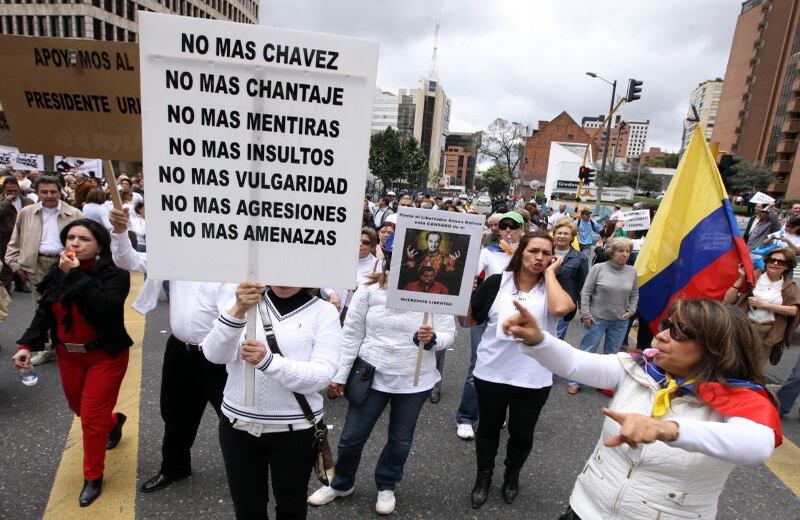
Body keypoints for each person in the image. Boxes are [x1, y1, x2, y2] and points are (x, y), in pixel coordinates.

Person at [502, 298, 781, 520]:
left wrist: (668, 429)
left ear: (715, 348)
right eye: (667, 325)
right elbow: (574, 363)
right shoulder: (637, 368)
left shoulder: (740, 398)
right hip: (586, 508)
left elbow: (757, 444)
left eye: (679, 332)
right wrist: (537, 339)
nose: (661, 335)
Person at [307, 254, 456, 516]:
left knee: (400, 440)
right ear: (389, 262)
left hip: (413, 379)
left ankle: (387, 484)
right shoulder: (369, 291)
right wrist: (340, 375)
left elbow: (448, 333)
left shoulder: (434, 294)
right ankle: (341, 483)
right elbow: (351, 334)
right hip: (371, 375)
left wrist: (433, 338)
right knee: (351, 437)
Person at [108, 207, 235, 494]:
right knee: (176, 413)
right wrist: (120, 231)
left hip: (218, 355)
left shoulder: (232, 265)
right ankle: (174, 467)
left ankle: (247, 472)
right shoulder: (176, 256)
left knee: (233, 417)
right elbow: (128, 259)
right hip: (180, 351)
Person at [11, 219, 133, 507]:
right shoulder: (58, 271)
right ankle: (114, 423)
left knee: (91, 418)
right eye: (70, 238)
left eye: (84, 239)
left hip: (105, 357)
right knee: (80, 409)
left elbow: (104, 308)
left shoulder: (115, 273)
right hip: (69, 357)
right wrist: (26, 345)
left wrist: (76, 274)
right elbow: (45, 311)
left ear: (100, 246)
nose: (74, 244)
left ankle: (93, 476)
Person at [204, 283, 341, 520]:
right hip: (238, 426)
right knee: (247, 509)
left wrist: (269, 362)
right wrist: (236, 311)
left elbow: (322, 374)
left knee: (291, 508)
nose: (283, 279)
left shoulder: (324, 311)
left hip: (295, 430)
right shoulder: (241, 302)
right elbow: (214, 354)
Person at [466, 231, 574, 508]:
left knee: (522, 434)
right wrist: (460, 295)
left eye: (546, 253)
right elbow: (468, 321)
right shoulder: (496, 283)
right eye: (533, 251)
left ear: (553, 258)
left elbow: (562, 309)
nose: (539, 257)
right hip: (491, 372)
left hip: (533, 377)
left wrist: (549, 274)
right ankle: (483, 476)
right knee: (488, 429)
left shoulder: (554, 286)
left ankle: (512, 475)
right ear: (520, 252)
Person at [455, 211, 525, 440]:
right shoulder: (489, 251)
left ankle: (494, 412)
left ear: (522, 229)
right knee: (477, 364)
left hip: (514, 316)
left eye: (513, 226)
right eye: (503, 226)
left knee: (507, 367)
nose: (508, 230)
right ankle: (466, 417)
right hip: (486, 314)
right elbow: (471, 271)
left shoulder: (528, 254)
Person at [6, 176, 82, 364]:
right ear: (37, 192)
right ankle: (49, 350)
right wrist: (16, 265)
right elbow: (14, 243)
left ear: (60, 191)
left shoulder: (74, 214)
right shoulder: (26, 213)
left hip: (65, 263)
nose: (49, 196)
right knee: (43, 309)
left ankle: (72, 347)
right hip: (37, 264)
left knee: (70, 306)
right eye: (44, 192)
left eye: (53, 192)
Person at [569, 237, 638, 394]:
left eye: (627, 251)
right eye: (620, 251)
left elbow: (634, 294)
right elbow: (586, 292)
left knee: (611, 356)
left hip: (620, 320)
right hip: (596, 319)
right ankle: (576, 381)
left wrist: (631, 310)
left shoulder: (632, 271)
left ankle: (604, 383)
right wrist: (585, 313)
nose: (625, 254)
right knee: (587, 352)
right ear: (611, 252)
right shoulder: (598, 268)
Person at [724, 248, 800, 363]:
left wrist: (765, 305)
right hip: (742, 327)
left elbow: (794, 311)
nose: (775, 263)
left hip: (767, 333)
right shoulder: (752, 277)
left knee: (756, 367)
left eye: (781, 262)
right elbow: (728, 300)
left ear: (787, 267)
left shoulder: (789, 286)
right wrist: (740, 278)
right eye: (771, 260)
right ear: (766, 262)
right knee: (732, 364)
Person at [552, 218, 589, 340]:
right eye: (559, 233)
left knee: (556, 337)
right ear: (554, 234)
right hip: (542, 301)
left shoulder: (580, 258)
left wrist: (583, 308)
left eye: (566, 234)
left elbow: (583, 285)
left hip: (565, 304)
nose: (562, 236)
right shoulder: (544, 253)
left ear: (572, 237)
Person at [0, 176, 34, 292]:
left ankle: (21, 284)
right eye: (9, 191)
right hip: (6, 236)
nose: (13, 193)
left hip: (24, 234)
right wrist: (7, 200)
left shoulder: (27, 201)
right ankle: (5, 288)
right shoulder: (2, 201)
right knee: (7, 262)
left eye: (15, 190)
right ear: (4, 190)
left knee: (22, 260)